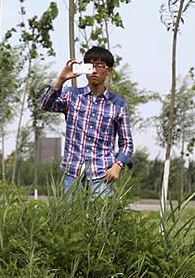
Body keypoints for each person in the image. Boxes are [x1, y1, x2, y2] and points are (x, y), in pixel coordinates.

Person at [40, 46, 134, 197]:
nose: (94, 71)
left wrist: (118, 165)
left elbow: (127, 144)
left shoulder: (118, 104)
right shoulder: (72, 96)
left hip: (101, 175)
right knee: (68, 220)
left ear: (109, 71)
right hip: (72, 173)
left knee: (100, 220)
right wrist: (61, 79)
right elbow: (46, 105)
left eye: (100, 66)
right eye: (90, 66)